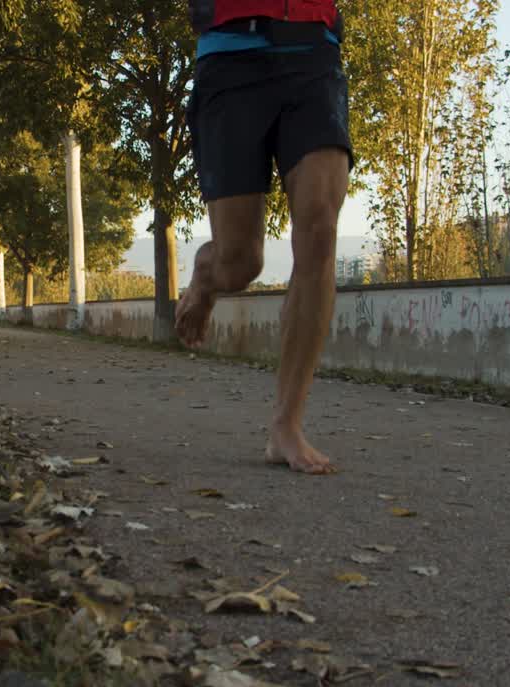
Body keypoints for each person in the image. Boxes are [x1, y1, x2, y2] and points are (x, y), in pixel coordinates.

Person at [176, 0, 352, 475]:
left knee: (319, 229)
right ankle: (207, 277)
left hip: (314, 53)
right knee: (240, 262)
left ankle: (286, 425)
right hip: (231, 58)